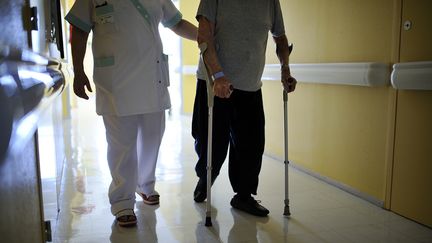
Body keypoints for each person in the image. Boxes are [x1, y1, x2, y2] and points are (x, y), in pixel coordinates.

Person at [65, 0, 197, 227]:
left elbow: (176, 24)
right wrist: (78, 70)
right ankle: (122, 201)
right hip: (116, 80)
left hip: (151, 77)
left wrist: (204, 36)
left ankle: (145, 184)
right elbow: (78, 29)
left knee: (152, 137)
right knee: (121, 143)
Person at [192, 0, 297, 217]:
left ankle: (243, 195)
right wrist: (218, 75)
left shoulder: (270, 3)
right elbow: (204, 36)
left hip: (250, 84)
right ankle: (206, 176)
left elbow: (281, 38)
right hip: (214, 82)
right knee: (211, 141)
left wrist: (285, 70)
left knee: (251, 143)